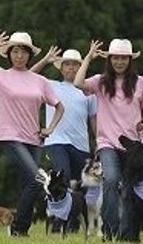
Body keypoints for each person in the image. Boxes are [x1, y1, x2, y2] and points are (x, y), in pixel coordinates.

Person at [0, 30, 64, 237]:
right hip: (9, 136)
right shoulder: (0, 75)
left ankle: (18, 228)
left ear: (29, 55)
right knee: (37, 180)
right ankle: (20, 228)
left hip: (34, 139)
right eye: (15, 51)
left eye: (23, 52)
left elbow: (59, 106)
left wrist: (50, 128)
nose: (19, 56)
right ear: (9, 54)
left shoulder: (39, 80)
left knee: (27, 184)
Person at [73, 39, 143, 242]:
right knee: (110, 181)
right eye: (115, 58)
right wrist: (88, 57)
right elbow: (77, 83)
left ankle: (126, 235)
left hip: (134, 145)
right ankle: (109, 231)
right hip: (107, 142)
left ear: (129, 60)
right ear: (110, 60)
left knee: (128, 189)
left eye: (123, 58)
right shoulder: (100, 81)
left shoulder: (141, 82)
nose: (119, 61)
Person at [31, 48, 97, 182]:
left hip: (81, 144)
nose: (71, 68)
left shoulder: (88, 91)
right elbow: (26, 77)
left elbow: (93, 119)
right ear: (61, 69)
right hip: (56, 142)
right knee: (62, 177)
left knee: (80, 186)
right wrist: (45, 60)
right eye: (67, 64)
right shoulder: (51, 85)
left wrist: (99, 141)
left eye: (75, 64)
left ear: (81, 67)